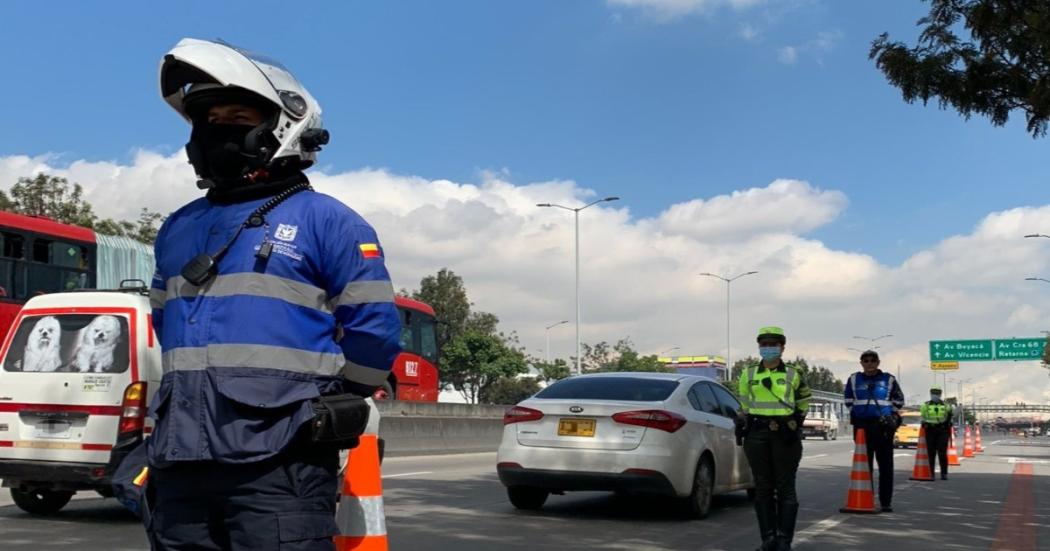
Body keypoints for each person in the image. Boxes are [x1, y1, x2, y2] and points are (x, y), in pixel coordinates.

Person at [148, 38, 402, 550]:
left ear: (280, 127)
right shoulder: (178, 227)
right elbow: (164, 323)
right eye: (209, 117)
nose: (220, 126)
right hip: (180, 458)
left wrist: (331, 400)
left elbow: (374, 328)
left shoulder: (327, 220)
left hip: (281, 462)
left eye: (236, 113)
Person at [737, 326, 812, 551]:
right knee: (762, 487)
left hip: (785, 434)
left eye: (773, 344)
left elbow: (804, 401)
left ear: (782, 347)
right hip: (757, 434)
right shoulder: (748, 373)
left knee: (786, 487)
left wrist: (795, 423)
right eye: (764, 345)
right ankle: (768, 539)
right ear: (759, 347)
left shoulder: (793, 372)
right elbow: (744, 404)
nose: (768, 348)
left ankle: (784, 541)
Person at [843, 349, 904, 512]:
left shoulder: (888, 379)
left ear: (878, 362)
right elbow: (848, 400)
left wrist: (888, 414)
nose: (869, 363)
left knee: (885, 466)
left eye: (872, 360)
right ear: (861, 362)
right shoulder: (854, 379)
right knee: (863, 465)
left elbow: (899, 401)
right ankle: (865, 499)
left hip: (883, 427)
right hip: (862, 427)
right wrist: (860, 412)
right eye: (866, 360)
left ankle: (885, 502)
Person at [920, 385, 952, 480]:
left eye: (937, 393)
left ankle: (944, 473)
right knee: (931, 453)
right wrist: (925, 423)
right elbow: (923, 418)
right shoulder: (925, 405)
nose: (935, 395)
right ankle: (931, 473)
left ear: (940, 394)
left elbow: (950, 416)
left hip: (942, 431)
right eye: (934, 393)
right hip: (930, 430)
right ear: (930, 394)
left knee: (942, 453)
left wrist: (947, 422)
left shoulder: (946, 405)